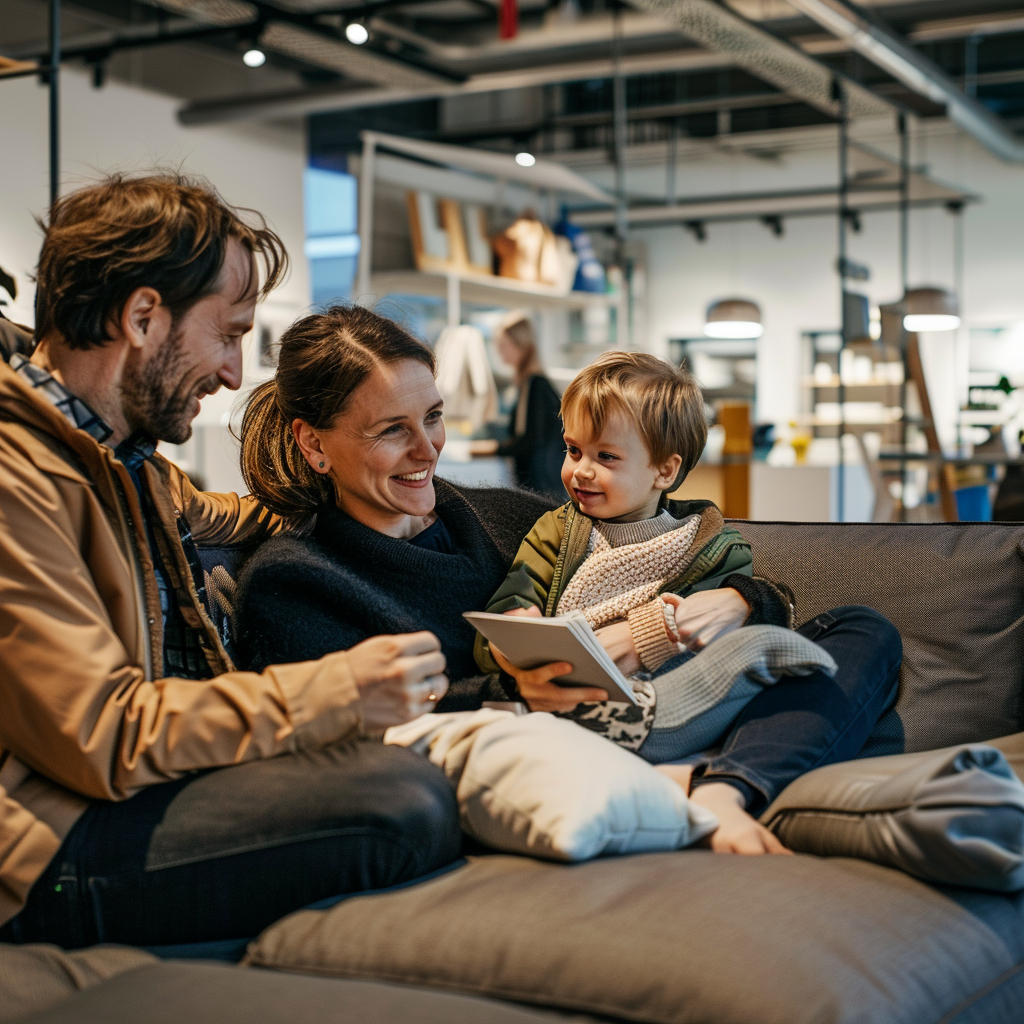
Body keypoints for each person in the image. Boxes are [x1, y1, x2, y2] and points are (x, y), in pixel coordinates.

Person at [235, 307, 902, 857]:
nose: (428, 450)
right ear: (313, 443)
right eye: (392, 431)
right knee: (856, 719)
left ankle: (719, 782)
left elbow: (718, 573)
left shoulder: (501, 516)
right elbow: (353, 743)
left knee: (860, 632)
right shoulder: (296, 582)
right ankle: (736, 772)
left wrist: (737, 600)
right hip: (572, 737)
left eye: (433, 417)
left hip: (667, 696)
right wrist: (511, 683)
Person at [0, 173, 461, 950]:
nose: (235, 376)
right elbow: (103, 735)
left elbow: (255, 515)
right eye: (229, 334)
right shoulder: (19, 480)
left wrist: (383, 486)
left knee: (414, 776)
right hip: (52, 844)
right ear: (144, 317)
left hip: (136, 792)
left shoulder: (129, 465)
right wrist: (341, 688)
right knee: (404, 802)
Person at [473, 351, 833, 764]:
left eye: (606, 457)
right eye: (573, 450)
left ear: (664, 471)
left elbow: (724, 643)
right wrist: (516, 637)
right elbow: (502, 616)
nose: (581, 470)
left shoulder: (712, 546)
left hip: (668, 703)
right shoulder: (554, 530)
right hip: (561, 693)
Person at [485, 311, 565, 500]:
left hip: (542, 488)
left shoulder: (535, 385)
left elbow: (530, 440)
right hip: (544, 486)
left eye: (504, 346)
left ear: (522, 345)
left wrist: (492, 449)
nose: (500, 353)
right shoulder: (530, 384)